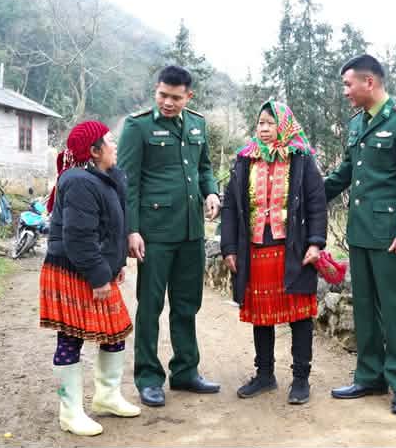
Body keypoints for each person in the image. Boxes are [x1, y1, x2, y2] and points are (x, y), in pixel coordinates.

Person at [324, 54, 396, 415]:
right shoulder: (358, 124)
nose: (345, 92)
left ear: (370, 82)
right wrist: (304, 198)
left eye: (348, 84)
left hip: (391, 235)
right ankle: (369, 375)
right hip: (361, 233)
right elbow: (344, 175)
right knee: (365, 308)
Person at [118, 66, 222, 408]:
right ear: (156, 91)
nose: (167, 102)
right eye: (163, 95)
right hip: (155, 232)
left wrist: (211, 193)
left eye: (176, 97)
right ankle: (148, 377)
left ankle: (185, 371)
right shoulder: (137, 126)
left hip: (191, 230)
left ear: (188, 96)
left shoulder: (197, 123)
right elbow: (128, 183)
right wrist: (131, 229)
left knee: (187, 305)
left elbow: (204, 166)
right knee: (150, 305)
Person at [220, 100, 327, 405]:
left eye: (270, 123)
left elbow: (316, 203)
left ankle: (301, 379)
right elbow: (231, 207)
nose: (264, 129)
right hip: (255, 249)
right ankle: (265, 375)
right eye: (260, 123)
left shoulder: (302, 159)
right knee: (261, 316)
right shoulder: (244, 160)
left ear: (284, 125)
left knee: (299, 315)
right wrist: (229, 247)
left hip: (292, 248)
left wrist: (316, 242)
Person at [39, 120, 140, 437]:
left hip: (95, 268)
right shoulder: (80, 182)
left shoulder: (107, 177)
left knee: (115, 331)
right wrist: (99, 277)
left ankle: (106, 397)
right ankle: (69, 411)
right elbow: (79, 237)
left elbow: (112, 228)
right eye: (109, 141)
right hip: (73, 268)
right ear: (94, 151)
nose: (115, 146)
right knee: (71, 338)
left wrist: (116, 263)